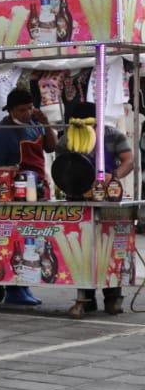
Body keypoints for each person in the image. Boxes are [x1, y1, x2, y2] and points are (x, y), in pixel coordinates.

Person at [56, 101, 133, 318]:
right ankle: (85, 298)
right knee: (81, 249)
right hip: (77, 199)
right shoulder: (67, 139)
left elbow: (129, 161)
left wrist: (114, 176)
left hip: (107, 200)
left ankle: (113, 297)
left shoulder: (113, 135)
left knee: (108, 248)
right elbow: (60, 167)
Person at [0, 88, 55, 307]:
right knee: (18, 242)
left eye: (29, 108)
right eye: (22, 109)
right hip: (17, 194)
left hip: (39, 189)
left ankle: (24, 284)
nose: (27, 113)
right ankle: (15, 289)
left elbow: (51, 146)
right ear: (11, 109)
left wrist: (45, 123)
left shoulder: (35, 124)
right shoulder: (3, 131)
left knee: (33, 242)